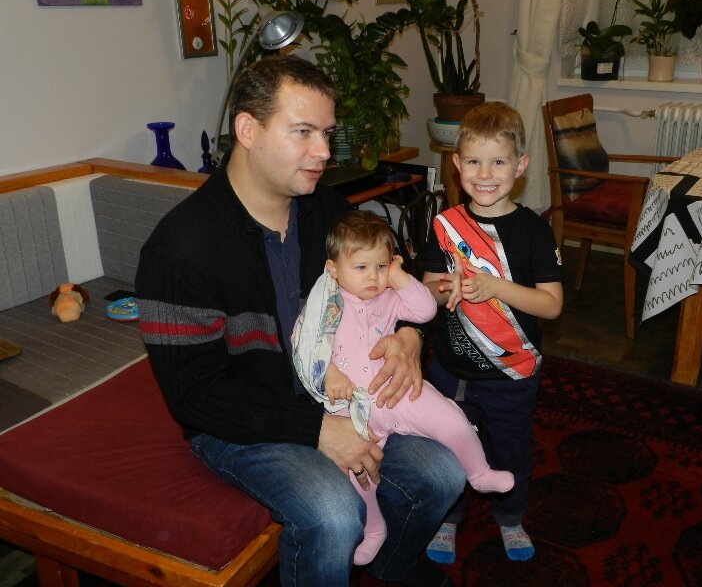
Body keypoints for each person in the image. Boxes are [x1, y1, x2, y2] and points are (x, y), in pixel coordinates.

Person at [134, 55, 464, 587]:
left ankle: (391, 567)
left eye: (326, 133)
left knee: (443, 473)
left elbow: (390, 278)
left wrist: (409, 335)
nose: (324, 152)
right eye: (303, 132)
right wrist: (317, 430)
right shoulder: (180, 251)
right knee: (333, 515)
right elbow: (194, 396)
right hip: (239, 422)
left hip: (343, 395)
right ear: (248, 130)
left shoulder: (325, 210)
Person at [291, 210, 514, 566]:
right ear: (333, 269)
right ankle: (374, 529)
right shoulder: (326, 304)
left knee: (451, 420)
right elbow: (305, 343)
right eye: (361, 268)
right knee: (357, 472)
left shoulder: (390, 295)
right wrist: (329, 372)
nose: (373, 277)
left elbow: (424, 310)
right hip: (353, 408)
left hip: (397, 390)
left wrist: (399, 277)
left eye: (381, 266)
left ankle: (479, 472)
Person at [421, 101, 564, 564]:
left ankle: (510, 516)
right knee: (446, 445)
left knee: (509, 447)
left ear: (520, 166)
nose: (485, 174)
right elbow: (426, 291)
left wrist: (496, 287)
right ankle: (448, 515)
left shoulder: (534, 231)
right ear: (457, 164)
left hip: (511, 371)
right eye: (474, 162)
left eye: (498, 162)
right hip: (448, 367)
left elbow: (552, 304)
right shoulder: (445, 226)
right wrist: (446, 287)